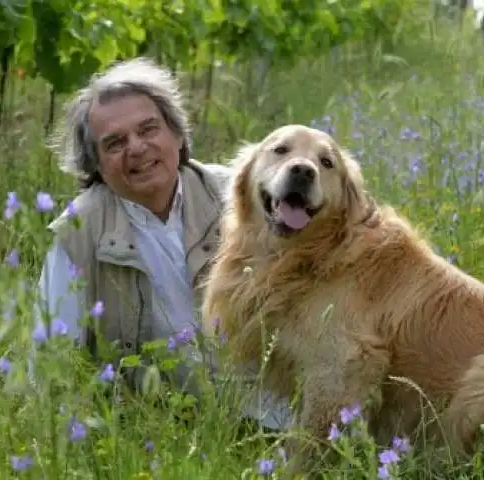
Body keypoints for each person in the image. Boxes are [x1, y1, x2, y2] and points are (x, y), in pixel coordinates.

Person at [32, 57, 291, 431]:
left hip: (281, 412)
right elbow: (49, 362)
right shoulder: (78, 232)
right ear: (96, 165)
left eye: (148, 129)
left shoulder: (239, 194)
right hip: (168, 432)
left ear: (178, 134)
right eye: (115, 143)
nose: (136, 148)